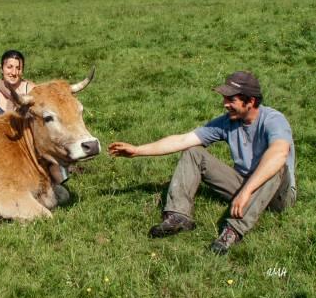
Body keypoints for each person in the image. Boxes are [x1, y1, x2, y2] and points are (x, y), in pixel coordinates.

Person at [108, 71, 296, 254]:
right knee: (193, 152)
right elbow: (183, 140)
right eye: (224, 98)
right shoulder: (227, 122)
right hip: (245, 183)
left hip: (278, 196)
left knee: (275, 164)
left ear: (251, 101)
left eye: (231, 100)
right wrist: (138, 150)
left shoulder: (273, 119)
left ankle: (232, 231)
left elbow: (279, 154)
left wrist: (246, 192)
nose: (225, 104)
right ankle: (178, 216)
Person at [0, 50, 70, 192]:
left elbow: (47, 115)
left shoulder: (32, 90)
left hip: (30, 148)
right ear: (1, 68)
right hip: (4, 149)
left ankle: (53, 179)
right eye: (9, 67)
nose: (14, 72)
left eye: (18, 68)